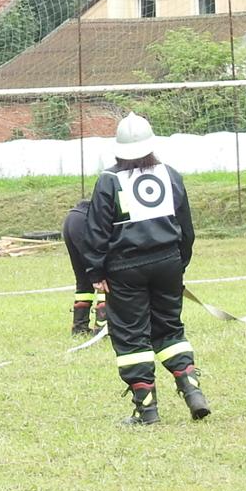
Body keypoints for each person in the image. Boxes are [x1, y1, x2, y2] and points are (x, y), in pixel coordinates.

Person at [79, 113, 209, 425]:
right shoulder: (171, 175)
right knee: (169, 329)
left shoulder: (109, 180)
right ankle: (191, 389)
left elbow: (96, 230)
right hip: (168, 262)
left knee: (131, 336)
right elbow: (186, 228)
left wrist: (95, 272)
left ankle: (146, 409)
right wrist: (179, 264)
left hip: (124, 268)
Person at [63, 200, 106, 337]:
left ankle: (80, 326)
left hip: (72, 219)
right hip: (86, 220)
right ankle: (102, 328)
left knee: (83, 280)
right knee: (105, 275)